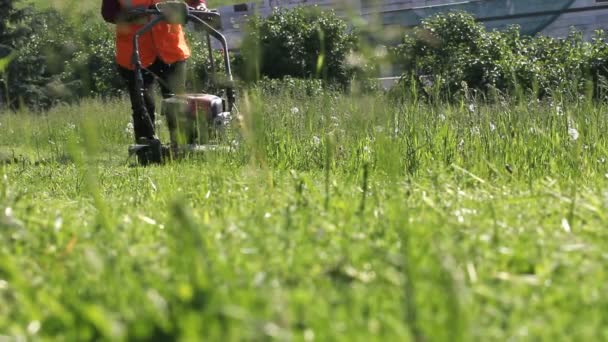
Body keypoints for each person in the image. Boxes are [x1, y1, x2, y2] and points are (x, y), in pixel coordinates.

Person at [101, 0, 207, 143]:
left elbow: (196, 2)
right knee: (143, 105)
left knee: (179, 101)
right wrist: (135, 15)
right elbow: (108, 13)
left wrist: (200, 6)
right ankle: (147, 151)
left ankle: (184, 148)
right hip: (135, 51)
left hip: (171, 49)